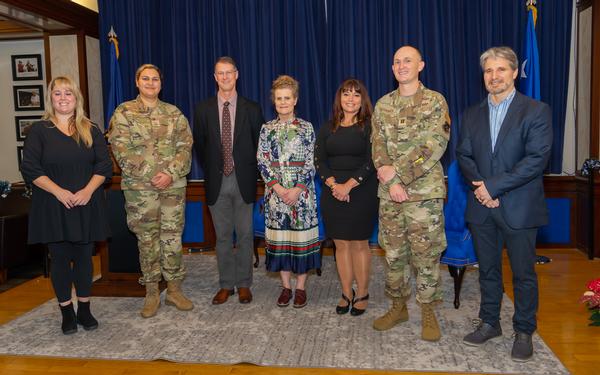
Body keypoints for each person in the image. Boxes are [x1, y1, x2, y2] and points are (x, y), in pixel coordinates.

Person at [456, 46, 552, 362]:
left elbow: (536, 159)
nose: (494, 76)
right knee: (488, 271)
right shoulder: (471, 113)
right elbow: (464, 155)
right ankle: (489, 322)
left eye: (500, 70)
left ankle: (524, 330)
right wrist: (483, 190)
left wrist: (493, 186)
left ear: (513, 73)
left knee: (523, 273)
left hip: (520, 207)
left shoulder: (536, 111)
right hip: (482, 207)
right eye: (488, 71)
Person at [20, 76, 112, 334]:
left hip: (86, 202)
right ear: (51, 98)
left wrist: (87, 191)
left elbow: (104, 166)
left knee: (84, 258)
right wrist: (59, 192)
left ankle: (84, 309)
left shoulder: (91, 128)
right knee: (60, 259)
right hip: (52, 204)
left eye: (68, 93)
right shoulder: (39, 130)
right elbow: (30, 168)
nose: (63, 98)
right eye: (57, 93)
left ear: (76, 98)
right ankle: (66, 312)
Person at [371, 46, 450, 341]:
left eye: (408, 61)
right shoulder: (382, 105)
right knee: (393, 255)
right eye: (397, 62)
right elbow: (377, 145)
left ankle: (428, 311)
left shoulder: (434, 101)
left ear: (421, 65)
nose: (401, 65)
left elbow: (435, 143)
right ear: (392, 69)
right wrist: (389, 179)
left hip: (423, 196)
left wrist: (399, 175)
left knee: (425, 256)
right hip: (389, 194)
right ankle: (398, 307)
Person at [109, 64, 193, 318]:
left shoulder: (174, 113)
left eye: (155, 79)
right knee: (147, 239)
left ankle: (175, 290)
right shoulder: (124, 112)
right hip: (140, 189)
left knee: (172, 237)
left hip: (172, 186)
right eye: (145, 78)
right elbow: (120, 149)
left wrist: (169, 173)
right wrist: (150, 174)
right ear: (137, 82)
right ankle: (152, 292)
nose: (150, 83)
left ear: (161, 83)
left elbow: (186, 146)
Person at [193, 57, 265, 305]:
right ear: (215, 77)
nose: (224, 77)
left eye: (229, 73)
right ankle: (226, 285)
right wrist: (216, 168)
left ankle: (244, 284)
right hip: (216, 181)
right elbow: (200, 147)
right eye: (220, 73)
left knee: (245, 235)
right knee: (223, 237)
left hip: (243, 180)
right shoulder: (203, 109)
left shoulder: (252, 109)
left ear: (237, 75)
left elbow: (260, 146)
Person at [315, 78, 378, 316]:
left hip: (362, 191)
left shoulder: (370, 126)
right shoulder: (328, 126)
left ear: (362, 100)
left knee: (359, 244)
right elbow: (319, 161)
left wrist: (348, 185)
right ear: (339, 98)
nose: (350, 99)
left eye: (356, 95)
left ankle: (362, 293)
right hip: (333, 193)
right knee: (340, 245)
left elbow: (373, 161)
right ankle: (346, 292)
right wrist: (334, 185)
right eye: (346, 94)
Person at [257, 75, 321, 308]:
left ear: (295, 100)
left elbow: (312, 161)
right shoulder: (266, 129)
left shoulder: (306, 128)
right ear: (274, 101)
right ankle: (286, 287)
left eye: (287, 98)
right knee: (282, 241)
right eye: (278, 98)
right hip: (275, 196)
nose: (283, 102)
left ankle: (301, 287)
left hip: (302, 196)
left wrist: (296, 189)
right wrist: (278, 188)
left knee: (301, 241)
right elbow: (262, 161)